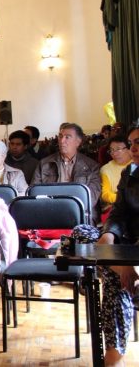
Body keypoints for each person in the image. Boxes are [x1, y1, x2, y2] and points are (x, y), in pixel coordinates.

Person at [71, 125, 139, 367]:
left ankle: (113, 354)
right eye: (131, 143)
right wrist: (109, 234)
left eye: (138, 142)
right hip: (125, 242)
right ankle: (121, 271)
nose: (134, 149)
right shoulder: (130, 172)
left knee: (111, 285)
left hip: (134, 247)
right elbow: (118, 212)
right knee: (82, 232)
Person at [32, 123, 101, 222]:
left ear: (78, 142)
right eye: (60, 136)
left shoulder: (92, 166)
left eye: (67, 137)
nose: (61, 141)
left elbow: (91, 198)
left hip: (80, 213)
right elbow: (34, 192)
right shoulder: (44, 164)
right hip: (50, 211)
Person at [99, 135, 132, 219]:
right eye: (112, 150)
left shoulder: (136, 164)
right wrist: (125, 200)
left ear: (129, 149)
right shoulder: (106, 169)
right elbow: (105, 194)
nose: (114, 153)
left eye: (118, 149)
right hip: (116, 208)